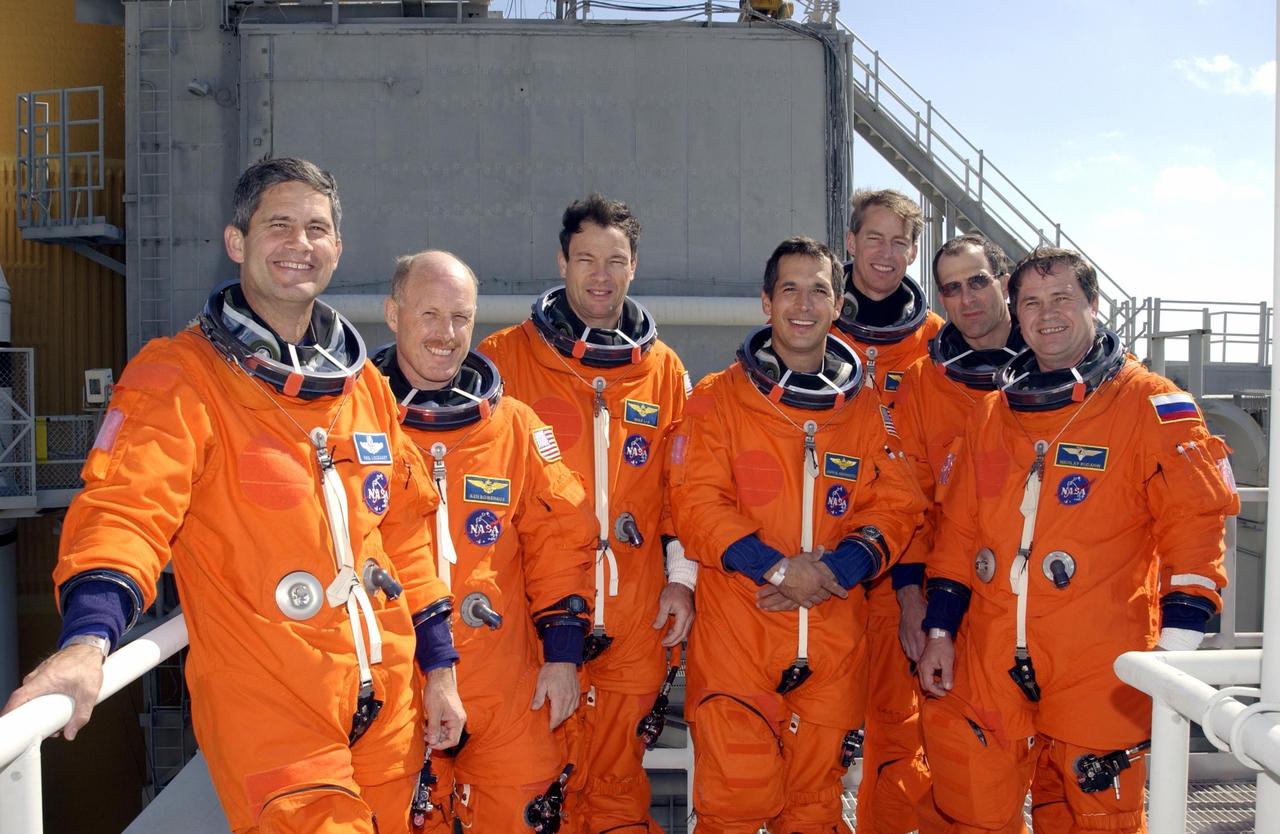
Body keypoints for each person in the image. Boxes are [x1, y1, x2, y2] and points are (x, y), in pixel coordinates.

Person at [0, 158, 465, 834]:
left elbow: (406, 531)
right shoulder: (180, 377)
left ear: (337, 249)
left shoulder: (362, 386)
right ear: (236, 242)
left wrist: (440, 666)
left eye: (317, 229)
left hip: (388, 702)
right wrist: (87, 641)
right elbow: (126, 510)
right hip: (274, 710)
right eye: (279, 225)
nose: (300, 243)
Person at [916, 247, 1237, 833]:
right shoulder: (990, 415)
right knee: (973, 809)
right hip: (988, 651)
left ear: (1093, 303)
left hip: (1100, 659)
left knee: (1099, 818)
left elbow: (1196, 524)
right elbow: (959, 533)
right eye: (1032, 302)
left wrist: (1173, 653)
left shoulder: (1150, 404)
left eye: (1062, 298)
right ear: (1016, 313)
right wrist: (939, 630)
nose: (1047, 314)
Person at [667, 235, 926, 833]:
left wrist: (835, 571)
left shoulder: (865, 408)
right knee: (731, 811)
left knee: (815, 813)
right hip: (741, 635)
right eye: (790, 290)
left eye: (819, 291)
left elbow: (897, 504)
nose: (804, 305)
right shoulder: (718, 398)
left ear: (838, 305)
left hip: (833, 643)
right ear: (767, 302)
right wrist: (780, 570)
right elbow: (695, 503)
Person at [478, 194, 695, 833]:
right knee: (539, 785)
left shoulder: (663, 369)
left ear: (634, 267)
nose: (601, 276)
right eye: (586, 259)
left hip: (637, 613)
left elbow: (683, 488)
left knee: (618, 785)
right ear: (561, 262)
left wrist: (682, 580)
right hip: (536, 614)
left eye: (616, 261)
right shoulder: (505, 358)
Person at [375, 250, 596, 831]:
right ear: (393, 314)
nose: (446, 334)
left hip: (505, 684)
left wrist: (563, 655)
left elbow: (560, 543)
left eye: (461, 317)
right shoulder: (359, 425)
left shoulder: (515, 426)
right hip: (398, 680)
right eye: (429, 314)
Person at [830, 188, 942, 834]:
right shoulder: (811, 324)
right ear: (850, 243)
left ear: (913, 253)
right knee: (815, 729)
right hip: (825, 564)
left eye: (900, 242)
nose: (885, 253)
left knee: (900, 737)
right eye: (873, 238)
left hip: (906, 567)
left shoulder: (935, 345)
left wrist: (914, 582)